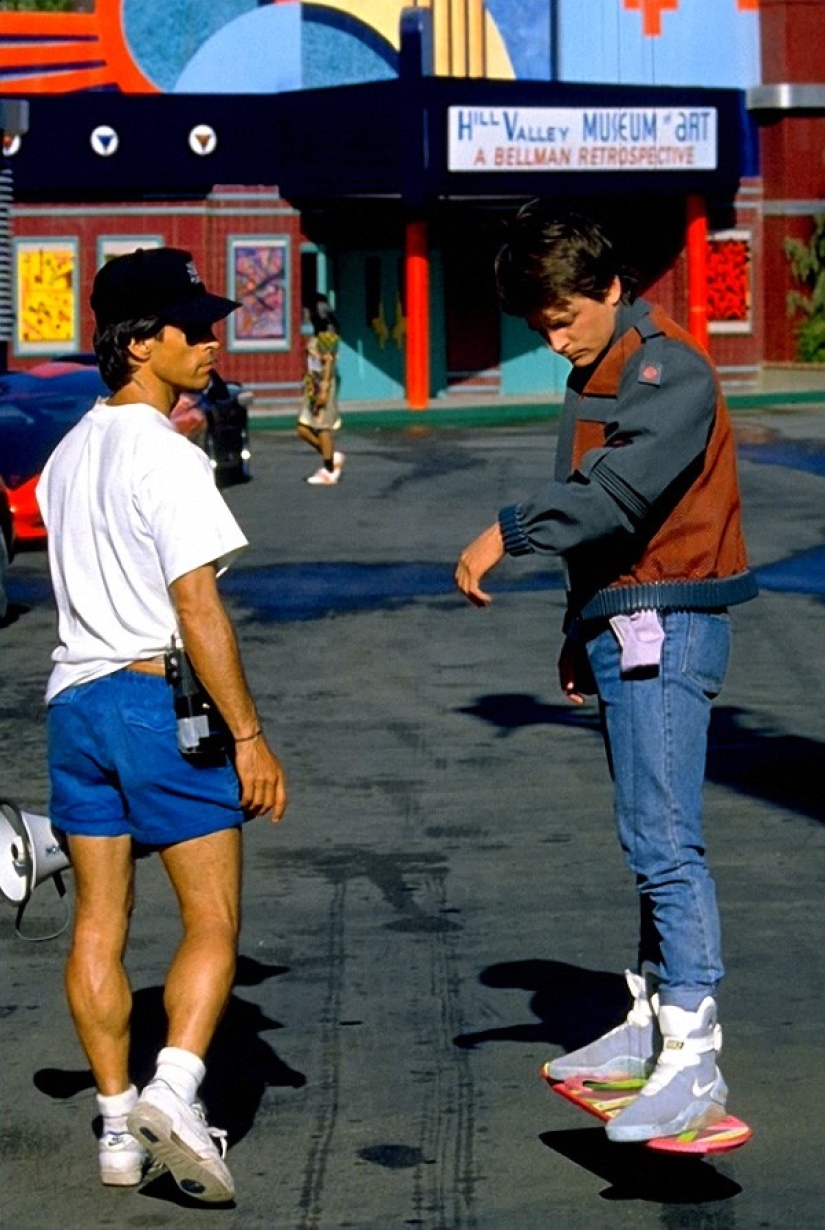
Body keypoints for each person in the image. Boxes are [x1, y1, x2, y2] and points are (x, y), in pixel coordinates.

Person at [455, 204, 757, 1144]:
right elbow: (609, 539)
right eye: (539, 325)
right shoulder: (605, 370)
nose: (553, 341)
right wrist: (574, 629)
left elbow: (613, 500)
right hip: (623, 622)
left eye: (562, 318)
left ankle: (692, 1053)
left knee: (664, 840)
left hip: (666, 624)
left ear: (610, 286)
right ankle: (646, 1026)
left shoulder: (670, 372)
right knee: (645, 837)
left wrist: (505, 533)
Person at [36, 247, 288, 1202]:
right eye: (195, 325)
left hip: (74, 704)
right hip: (158, 702)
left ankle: (115, 1127)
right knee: (213, 918)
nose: (213, 338)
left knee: (100, 921)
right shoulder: (168, 455)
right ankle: (176, 1089)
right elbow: (198, 607)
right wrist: (252, 736)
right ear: (142, 345)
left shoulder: (67, 455)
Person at [297, 294, 344, 485]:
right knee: (303, 427)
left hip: (322, 386)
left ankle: (329, 469)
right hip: (312, 385)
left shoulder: (327, 336)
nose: (307, 314)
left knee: (323, 427)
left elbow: (328, 364)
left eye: (309, 310)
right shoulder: (317, 335)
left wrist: (323, 390)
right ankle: (331, 456)